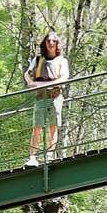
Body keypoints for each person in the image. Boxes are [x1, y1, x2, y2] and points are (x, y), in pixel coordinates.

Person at [24, 32, 70, 167]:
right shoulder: (38, 60)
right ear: (45, 43)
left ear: (57, 44)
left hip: (55, 96)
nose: (51, 43)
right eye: (48, 41)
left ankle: (49, 155)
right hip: (40, 97)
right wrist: (30, 82)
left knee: (53, 127)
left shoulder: (62, 60)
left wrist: (44, 84)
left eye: (53, 41)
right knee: (37, 127)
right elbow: (28, 73)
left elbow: (63, 78)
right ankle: (32, 157)